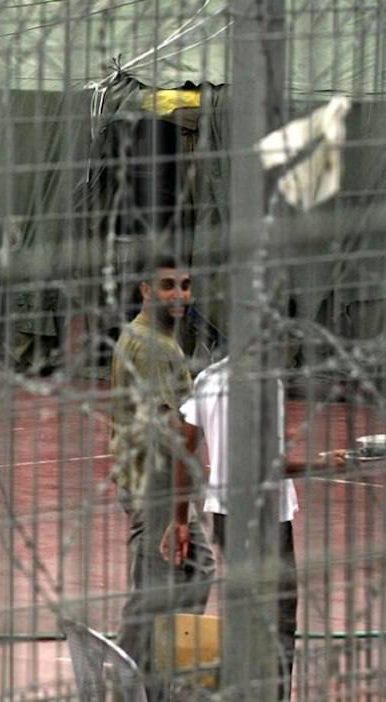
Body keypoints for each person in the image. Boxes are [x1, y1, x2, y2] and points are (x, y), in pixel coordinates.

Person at [176, 354, 347, 700]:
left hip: (226, 513)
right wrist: (322, 463)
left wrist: (179, 518)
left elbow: (183, 449)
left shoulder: (209, 378)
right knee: (279, 619)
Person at [109, 252, 215, 698]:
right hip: (154, 483)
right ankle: (133, 678)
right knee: (162, 584)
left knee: (188, 572)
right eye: (168, 286)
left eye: (185, 285)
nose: (180, 295)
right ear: (146, 290)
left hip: (149, 478)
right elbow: (174, 429)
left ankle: (155, 668)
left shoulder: (148, 337)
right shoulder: (155, 347)